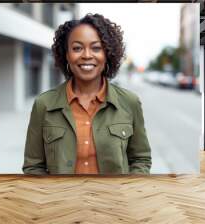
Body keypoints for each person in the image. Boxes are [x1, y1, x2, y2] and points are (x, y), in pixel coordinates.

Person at [23, 13, 151, 175]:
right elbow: (33, 166)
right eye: (77, 48)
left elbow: (141, 158)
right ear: (66, 55)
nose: (87, 55)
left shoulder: (130, 102)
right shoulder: (44, 104)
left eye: (96, 48)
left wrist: (127, 191)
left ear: (107, 54)